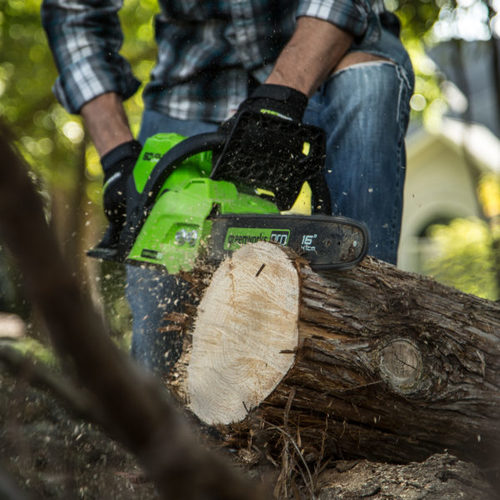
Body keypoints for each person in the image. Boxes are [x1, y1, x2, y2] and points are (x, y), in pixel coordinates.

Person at [41, 0, 414, 373]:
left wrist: (281, 96)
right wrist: (117, 158)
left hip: (332, 53)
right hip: (193, 86)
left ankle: (367, 357)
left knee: (368, 88)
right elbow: (72, 11)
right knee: (161, 320)